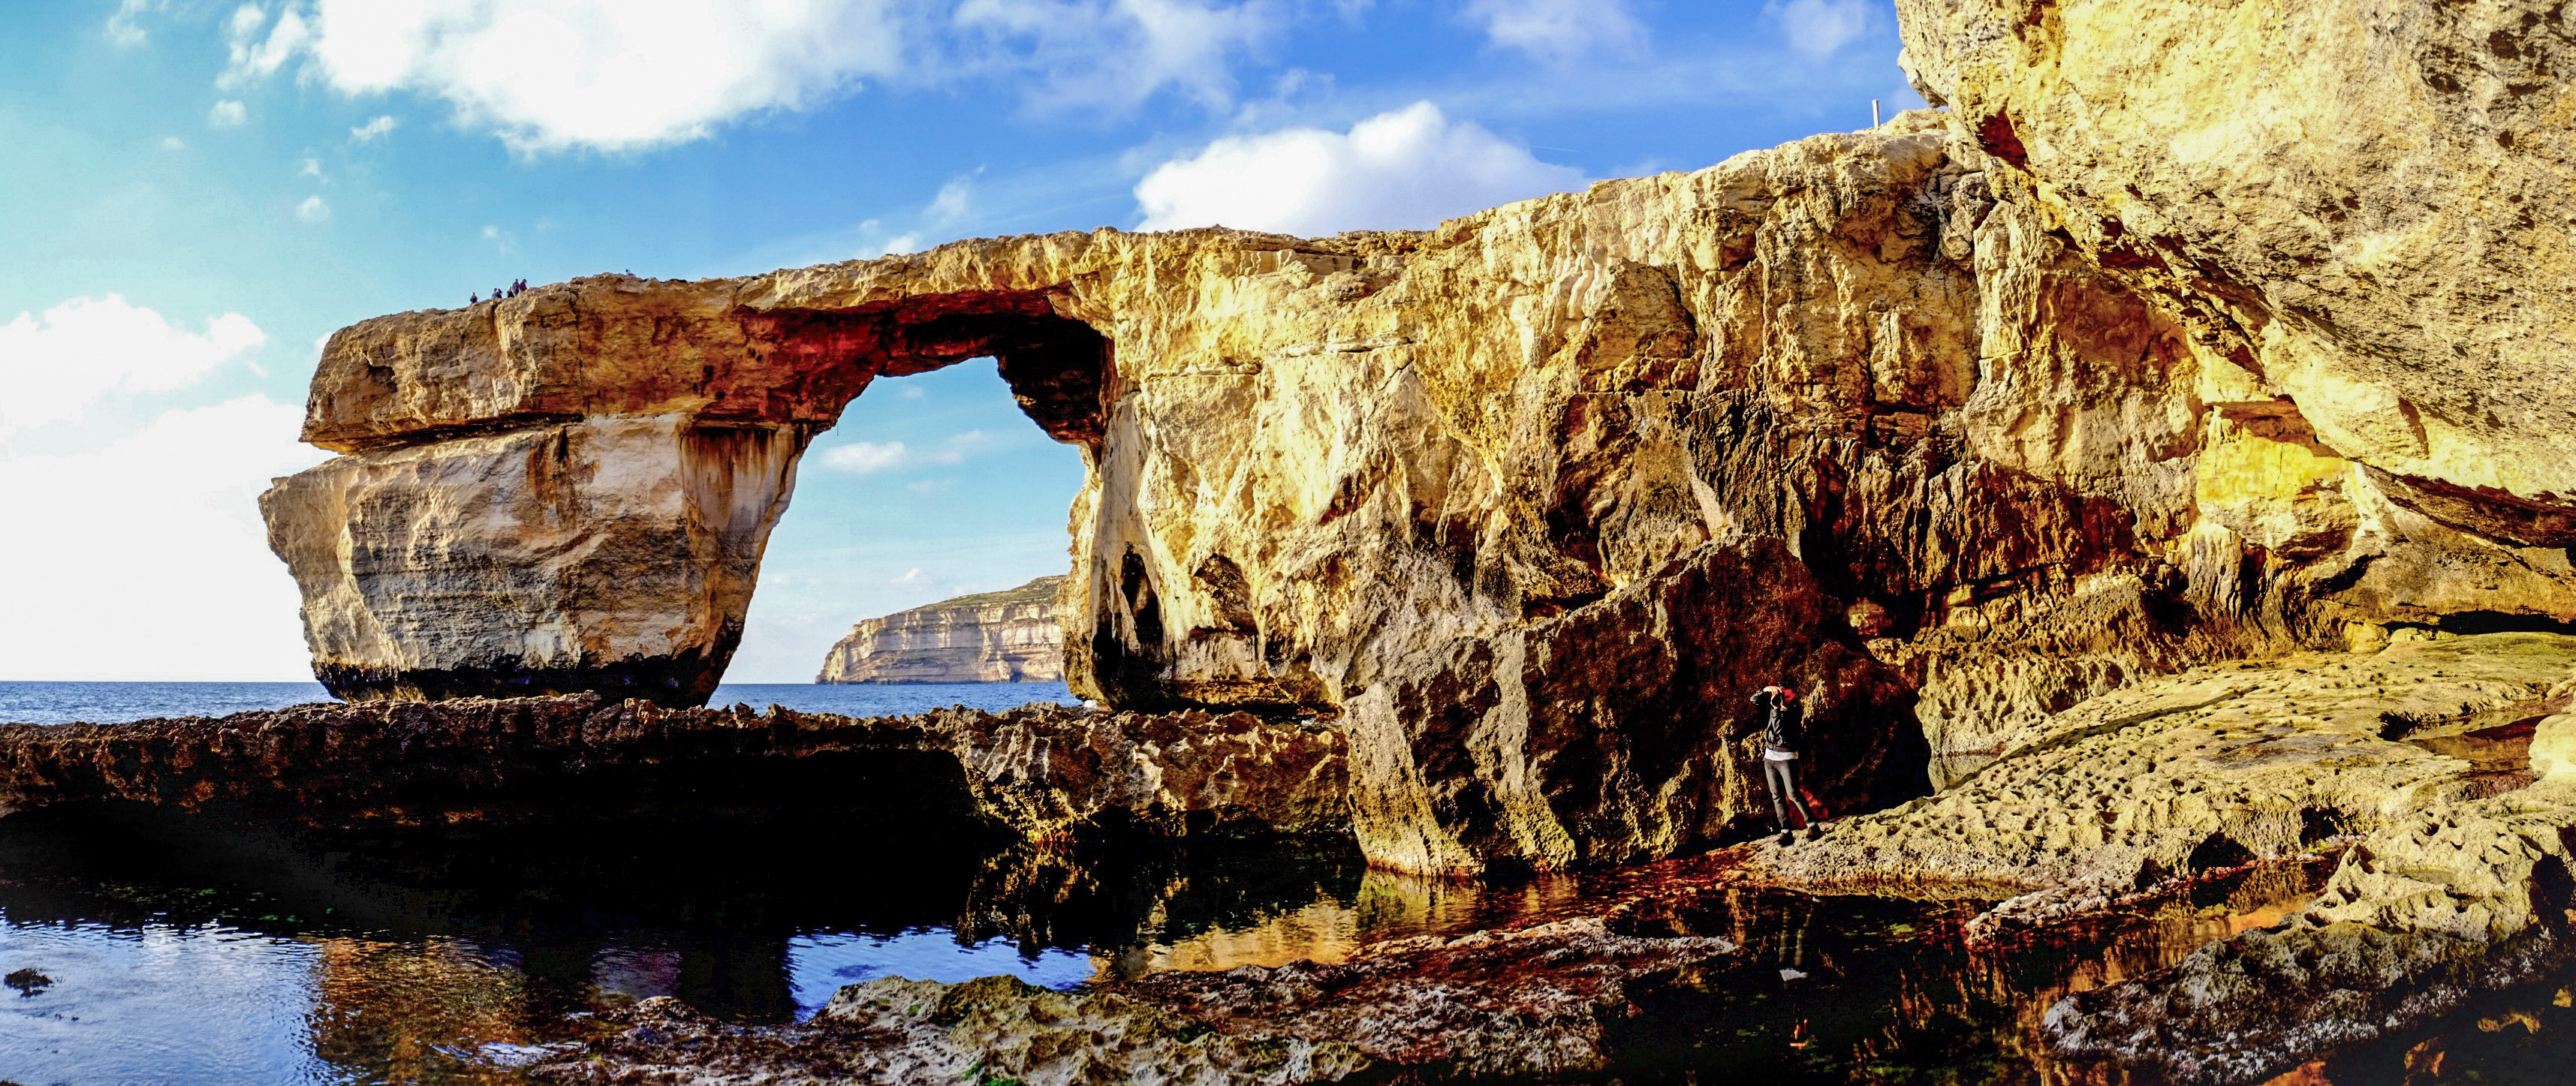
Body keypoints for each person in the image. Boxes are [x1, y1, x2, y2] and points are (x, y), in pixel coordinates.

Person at [1752, 683, 1812, 844]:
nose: (1784, 698)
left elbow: (1779, 732)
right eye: (1782, 694)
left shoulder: (1794, 712)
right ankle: (1786, 832)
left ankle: (1812, 826)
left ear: (1794, 696)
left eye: (1788, 695)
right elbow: (1753, 700)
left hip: (1787, 757)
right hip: (1769, 757)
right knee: (1777, 796)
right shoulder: (1773, 705)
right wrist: (1763, 690)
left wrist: (1776, 710)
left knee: (1793, 794)